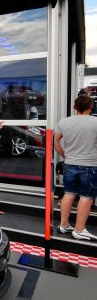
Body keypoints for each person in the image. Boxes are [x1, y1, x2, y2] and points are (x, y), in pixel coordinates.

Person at [55, 95, 97, 241]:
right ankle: (79, 230)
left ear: (74, 107)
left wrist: (64, 155)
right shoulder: (95, 122)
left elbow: (56, 142)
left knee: (69, 193)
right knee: (86, 197)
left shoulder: (63, 122)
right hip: (90, 165)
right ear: (91, 107)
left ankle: (64, 225)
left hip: (70, 164)